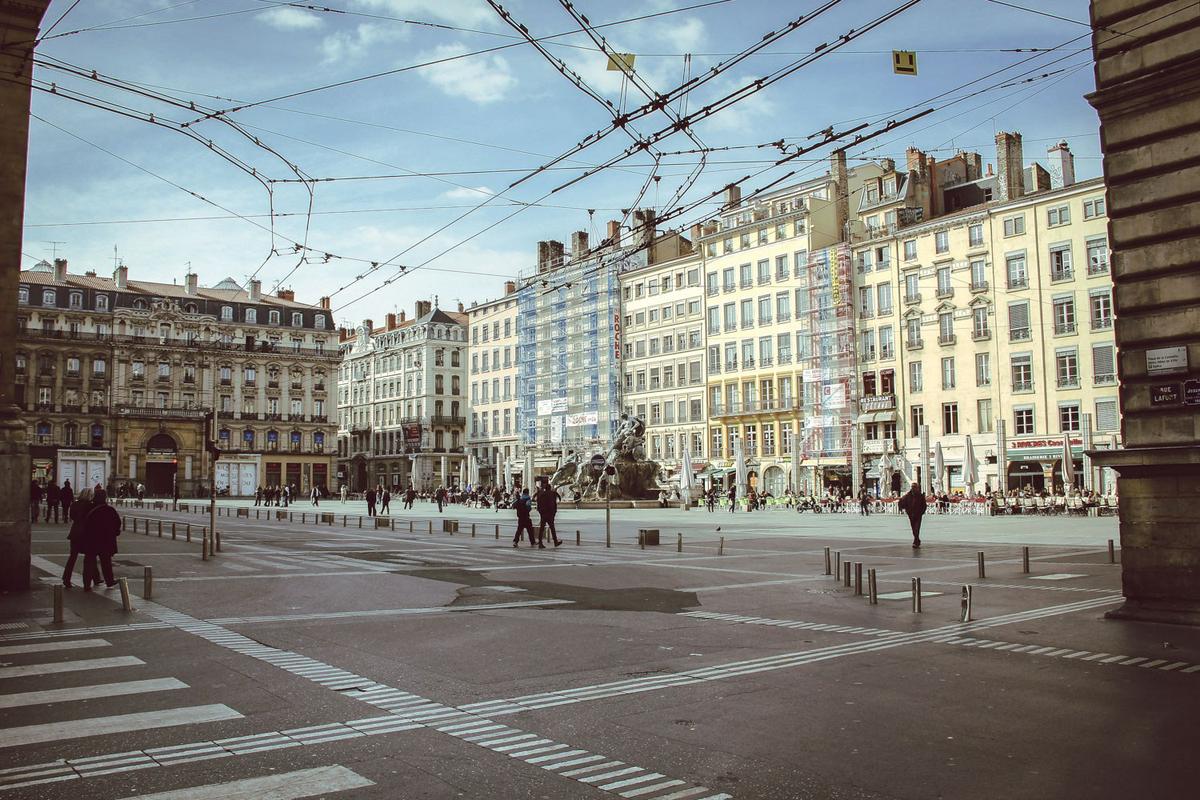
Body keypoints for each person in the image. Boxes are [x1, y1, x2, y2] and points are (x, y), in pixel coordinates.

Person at [82, 487, 121, 590]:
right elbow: (117, 523)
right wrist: (115, 533)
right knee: (106, 562)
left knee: (89, 561)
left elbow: (84, 523)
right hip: (106, 540)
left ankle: (86, 584)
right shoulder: (109, 510)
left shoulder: (89, 508)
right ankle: (109, 581)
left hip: (91, 539)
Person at [63, 488, 92, 588]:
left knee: (72, 557)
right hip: (87, 533)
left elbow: (72, 516)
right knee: (88, 558)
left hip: (75, 532)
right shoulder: (90, 505)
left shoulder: (74, 504)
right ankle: (87, 583)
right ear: (89, 495)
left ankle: (66, 578)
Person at [898, 481, 927, 549]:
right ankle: (917, 540)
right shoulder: (908, 495)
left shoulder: (920, 496)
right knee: (913, 528)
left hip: (918, 515)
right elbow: (901, 501)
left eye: (915, 487)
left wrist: (921, 512)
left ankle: (916, 541)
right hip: (911, 514)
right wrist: (904, 509)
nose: (913, 488)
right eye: (912, 487)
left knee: (917, 528)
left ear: (917, 488)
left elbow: (924, 505)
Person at [535, 480, 562, 547]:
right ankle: (555, 542)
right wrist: (554, 512)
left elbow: (538, 503)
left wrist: (540, 512)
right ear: (550, 488)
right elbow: (554, 504)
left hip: (544, 513)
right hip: (550, 514)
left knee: (542, 528)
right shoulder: (552, 494)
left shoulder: (542, 494)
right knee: (552, 528)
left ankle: (540, 542)